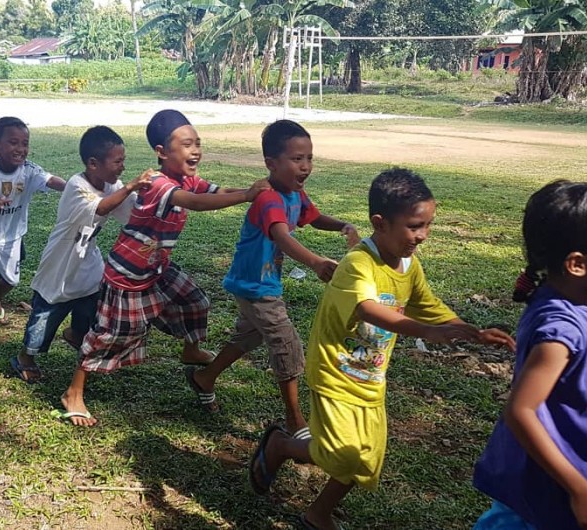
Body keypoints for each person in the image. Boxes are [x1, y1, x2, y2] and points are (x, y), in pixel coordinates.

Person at [247, 168, 515, 530]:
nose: (423, 235)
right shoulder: (358, 264)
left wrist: (465, 330)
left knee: (365, 460)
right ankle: (281, 446)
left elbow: (426, 304)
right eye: (414, 226)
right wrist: (423, 331)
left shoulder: (409, 265)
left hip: (371, 379)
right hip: (334, 372)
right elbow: (367, 308)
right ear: (380, 222)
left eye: (427, 225)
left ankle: (316, 515)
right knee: (340, 454)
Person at [59, 108, 270, 427]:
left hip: (157, 268)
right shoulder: (158, 183)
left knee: (195, 301)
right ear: (161, 152)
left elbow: (213, 192)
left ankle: (191, 351)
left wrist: (253, 194)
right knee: (113, 334)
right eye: (186, 144)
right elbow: (195, 202)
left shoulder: (186, 178)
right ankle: (73, 392)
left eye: (197, 142)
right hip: (127, 273)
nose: (195, 150)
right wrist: (246, 196)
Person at [185, 120, 360, 440]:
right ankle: (295, 422)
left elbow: (313, 217)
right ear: (271, 163)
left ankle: (205, 377)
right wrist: (316, 262)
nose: (305, 166)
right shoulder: (268, 199)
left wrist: (342, 225)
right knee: (286, 342)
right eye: (297, 159)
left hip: (261, 282)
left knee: (248, 337)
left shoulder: (296, 194)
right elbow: (281, 236)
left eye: (309, 158)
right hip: (254, 285)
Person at [472, 180, 587, 530]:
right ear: (576, 264)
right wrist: (579, 491)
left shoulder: (584, 295)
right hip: (548, 484)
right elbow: (520, 411)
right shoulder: (560, 331)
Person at [11, 126, 151, 383]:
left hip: (88, 257)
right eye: (117, 161)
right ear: (93, 163)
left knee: (91, 305)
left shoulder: (113, 185)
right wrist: (131, 186)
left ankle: (76, 335)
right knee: (46, 314)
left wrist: (150, 197)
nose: (122, 167)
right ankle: (25, 358)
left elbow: (129, 215)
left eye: (124, 161)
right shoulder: (76, 185)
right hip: (61, 261)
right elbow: (100, 208)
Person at [0, 116, 66, 366]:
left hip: (12, 237)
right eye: (13, 142)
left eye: (25, 143)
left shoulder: (29, 170)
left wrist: (78, 187)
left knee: (11, 281)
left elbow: (52, 181)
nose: (20, 149)